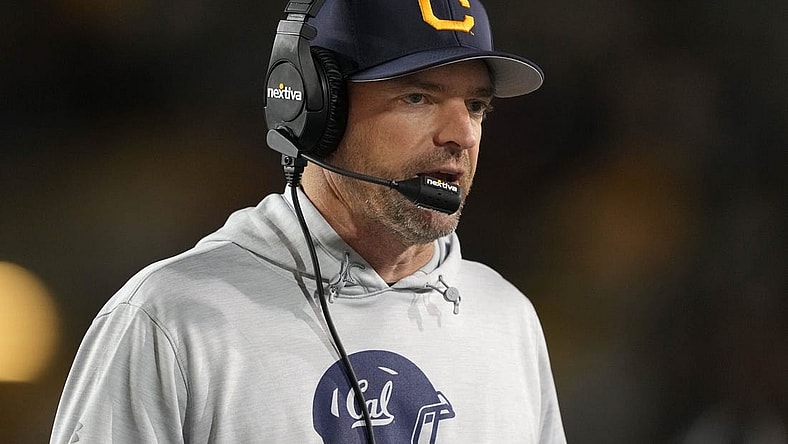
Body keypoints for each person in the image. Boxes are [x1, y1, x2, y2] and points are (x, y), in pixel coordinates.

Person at [50, 0, 566, 442]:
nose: (462, 135)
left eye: (476, 106)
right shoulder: (171, 319)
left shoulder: (507, 318)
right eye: (418, 97)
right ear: (314, 108)